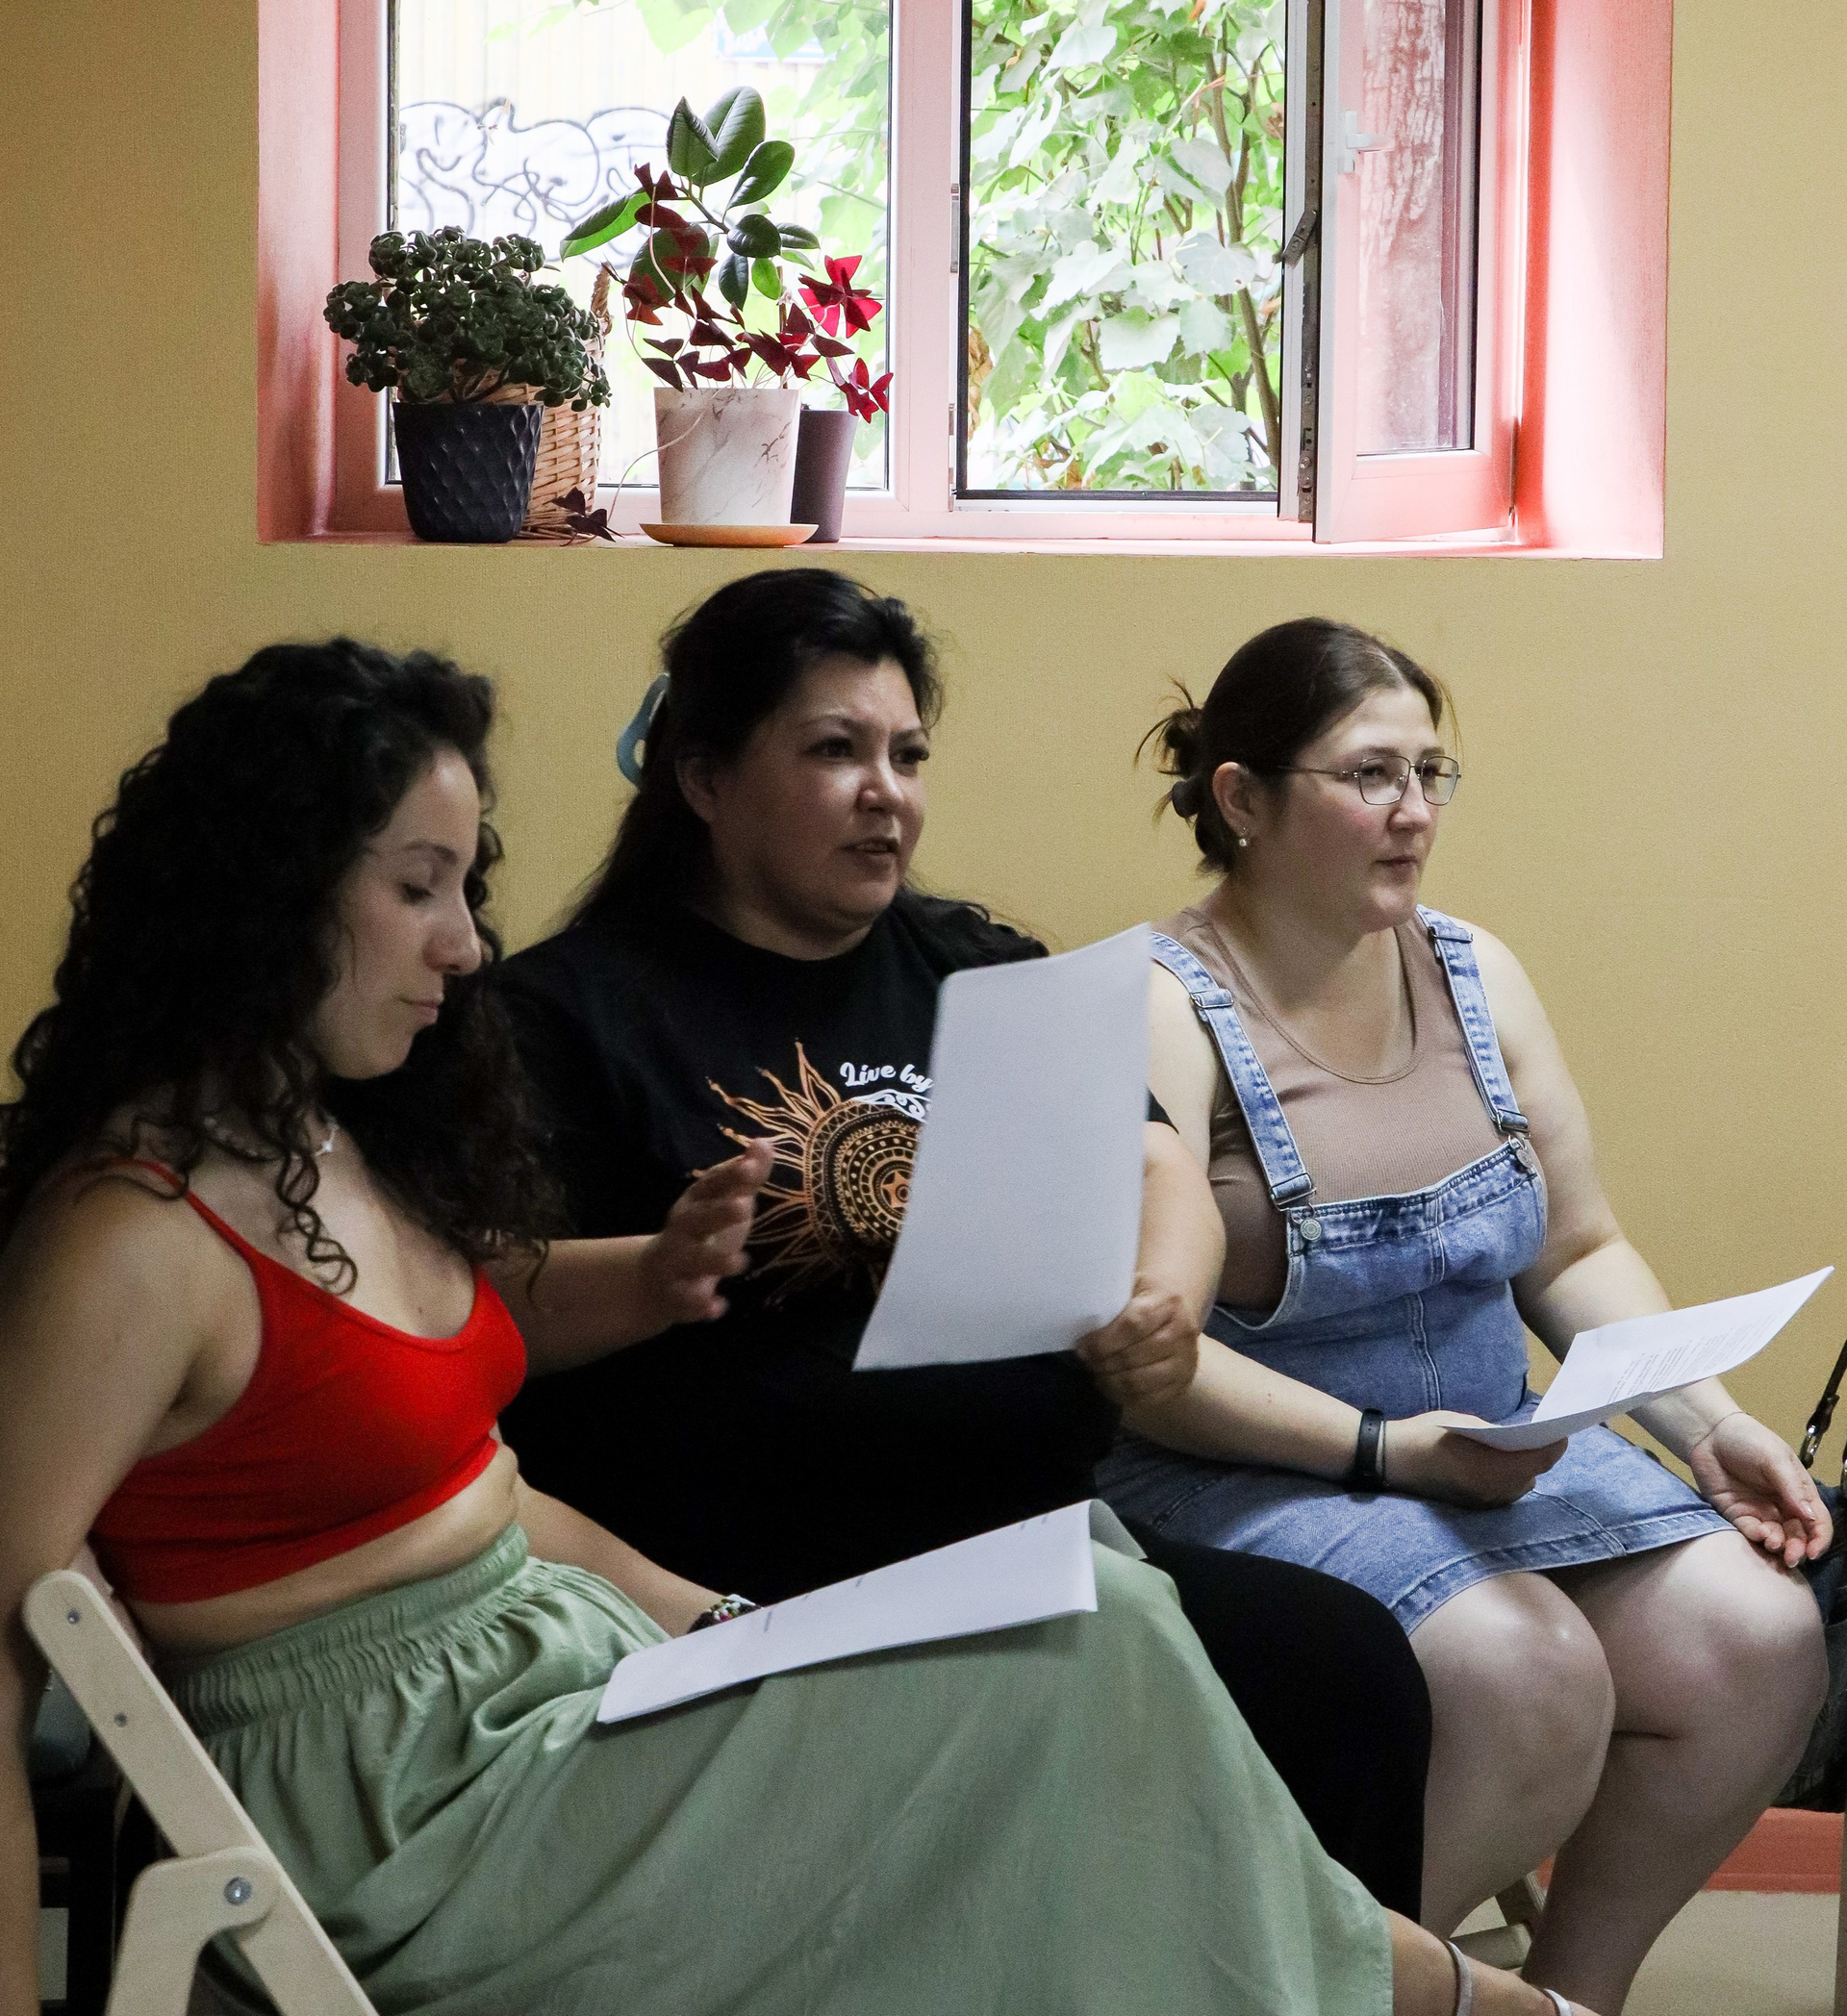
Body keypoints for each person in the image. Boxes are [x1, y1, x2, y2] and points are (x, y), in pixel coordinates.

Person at [0, 634, 1590, 2016]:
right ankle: (1441, 1995)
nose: (464, 944)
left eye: (463, 890)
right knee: (1083, 1660)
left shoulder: (338, 1137)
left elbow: (476, 1480)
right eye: (416, 888)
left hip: (559, 1676)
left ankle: (1416, 1992)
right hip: (414, 1810)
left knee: (1099, 1607)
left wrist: (722, 1621)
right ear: (270, 888)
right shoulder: (132, 1237)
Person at [498, 568, 1429, 1917]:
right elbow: (476, 1303)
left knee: (1343, 1670)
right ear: (703, 779)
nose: (887, 793)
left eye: (909, 755)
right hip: (756, 1568)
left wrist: (1166, 1306)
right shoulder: (565, 1014)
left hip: (1022, 1532)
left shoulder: (973, 967)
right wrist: (652, 1273)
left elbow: (1155, 1164)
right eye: (837, 750)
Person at [1099, 614, 1831, 2015]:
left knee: (1759, 1638)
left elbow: (1576, 1244)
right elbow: (1147, 1371)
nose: (1414, 811)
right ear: (1242, 798)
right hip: (1250, 1467)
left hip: (1488, 1446)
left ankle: (1570, 2000)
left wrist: (1711, 1425)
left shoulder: (1475, 969)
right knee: (1528, 1673)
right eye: (1370, 775)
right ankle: (1303, 1988)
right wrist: (1391, 1451)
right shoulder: (1154, 1004)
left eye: (1430, 773)